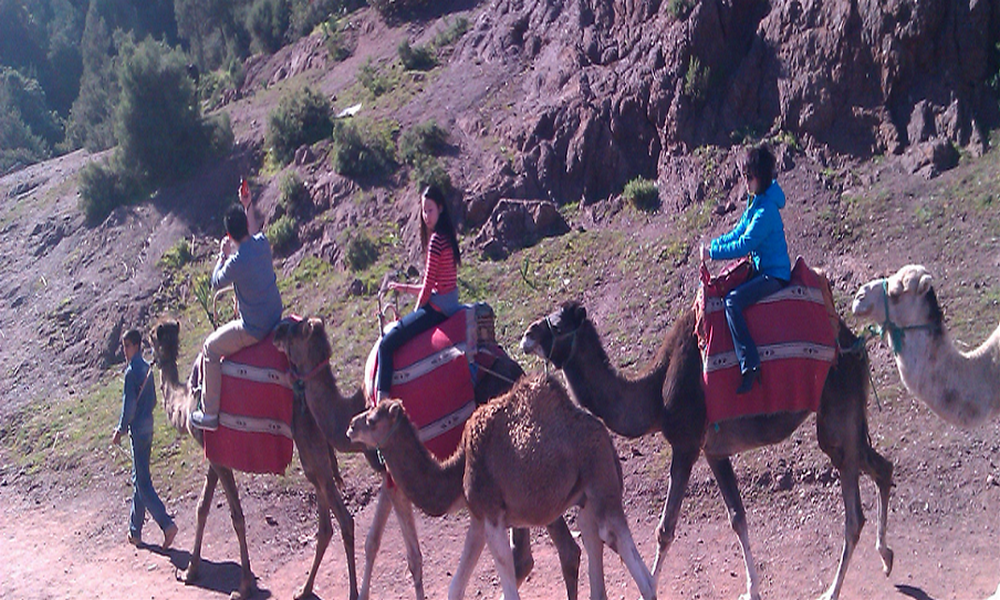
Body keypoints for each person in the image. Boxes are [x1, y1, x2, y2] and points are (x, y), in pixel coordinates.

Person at [191, 180, 283, 430]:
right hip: (276, 314)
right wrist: (248, 205)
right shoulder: (262, 243)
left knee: (209, 348)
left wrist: (223, 254)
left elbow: (215, 282)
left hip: (254, 328)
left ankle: (209, 414)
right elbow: (252, 232)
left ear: (229, 235)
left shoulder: (235, 262)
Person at [700, 144, 791, 394]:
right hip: (763, 270)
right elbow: (739, 231)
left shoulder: (765, 211)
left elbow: (746, 244)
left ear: (760, 177)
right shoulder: (757, 202)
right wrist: (713, 245)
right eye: (745, 177)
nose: (746, 182)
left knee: (732, 301)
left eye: (749, 177)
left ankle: (749, 363)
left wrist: (713, 253)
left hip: (774, 274)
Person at [377, 185, 462, 401]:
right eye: (424, 211)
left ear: (440, 208)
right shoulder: (448, 237)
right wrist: (404, 287)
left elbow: (428, 286)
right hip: (449, 303)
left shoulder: (436, 241)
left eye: (430, 210)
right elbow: (436, 285)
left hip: (437, 309)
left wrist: (413, 313)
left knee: (386, 345)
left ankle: (382, 405)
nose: (426, 216)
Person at [113, 329, 178, 548]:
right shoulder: (147, 370)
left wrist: (120, 430)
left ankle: (166, 524)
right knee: (139, 477)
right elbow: (151, 402)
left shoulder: (132, 372)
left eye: (126, 347)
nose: (124, 351)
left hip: (137, 431)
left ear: (134, 346)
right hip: (148, 427)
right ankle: (135, 531)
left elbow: (128, 405)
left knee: (143, 483)